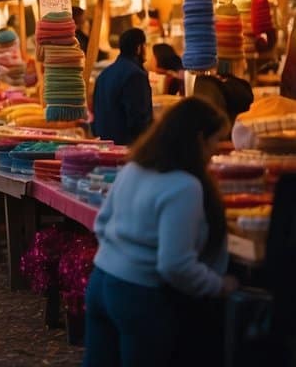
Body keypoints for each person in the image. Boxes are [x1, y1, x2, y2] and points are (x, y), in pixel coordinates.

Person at [82, 97, 235, 367]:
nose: (216, 150)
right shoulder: (184, 186)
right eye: (215, 141)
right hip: (138, 296)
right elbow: (174, 264)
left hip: (101, 282)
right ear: (199, 139)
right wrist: (218, 286)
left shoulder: (134, 168)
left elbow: (102, 224)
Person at [92, 28, 154, 146]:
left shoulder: (104, 75)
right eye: (145, 46)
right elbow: (139, 120)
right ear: (139, 48)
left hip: (104, 146)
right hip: (126, 148)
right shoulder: (136, 75)